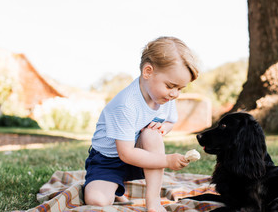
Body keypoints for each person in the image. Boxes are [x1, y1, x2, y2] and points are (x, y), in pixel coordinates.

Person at [83, 36, 199, 212]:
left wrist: (162, 129)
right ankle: (113, 185)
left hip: (140, 156)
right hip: (108, 160)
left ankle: (153, 202)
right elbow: (126, 153)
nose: (175, 94)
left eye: (180, 89)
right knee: (97, 201)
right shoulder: (126, 104)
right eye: (170, 86)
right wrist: (167, 160)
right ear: (148, 72)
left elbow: (169, 122)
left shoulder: (165, 98)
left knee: (152, 135)